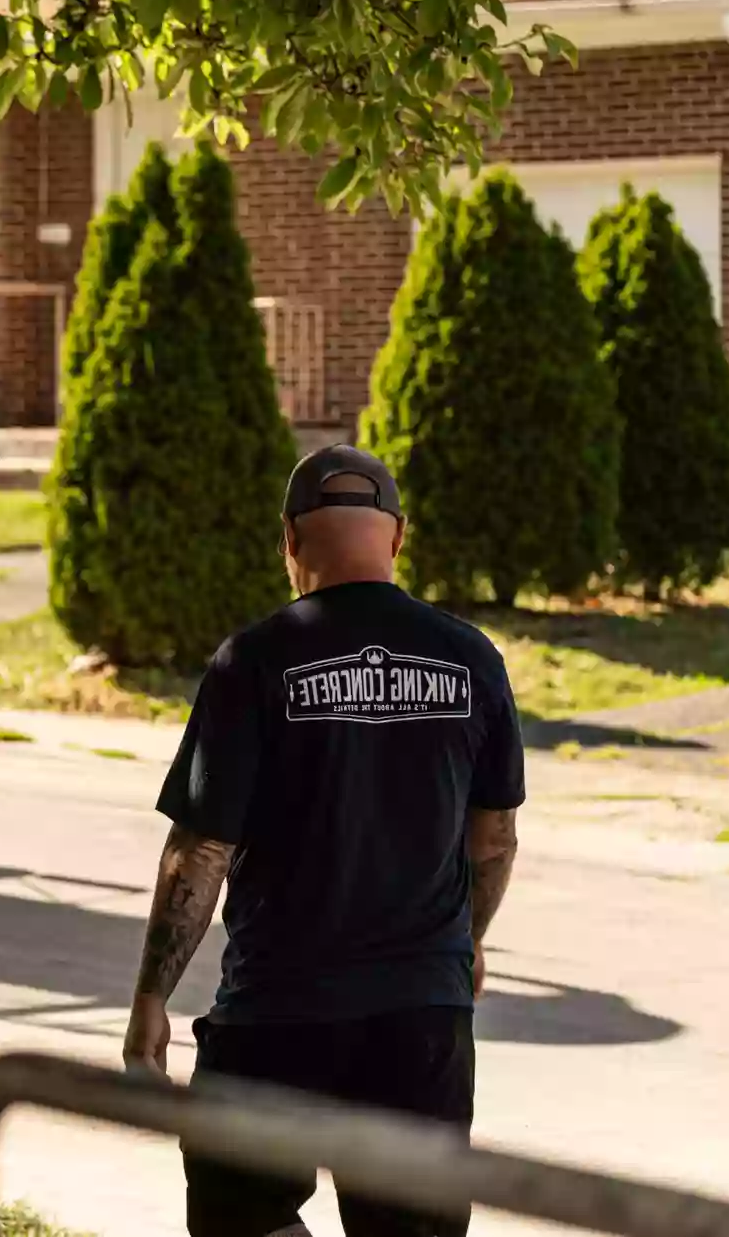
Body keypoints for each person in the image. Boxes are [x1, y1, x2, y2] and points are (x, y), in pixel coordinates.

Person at [122, 444, 524, 1237]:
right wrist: (467, 940)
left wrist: (150, 998)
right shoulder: (471, 659)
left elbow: (200, 851)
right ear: (397, 537)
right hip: (420, 1017)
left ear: (289, 541)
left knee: (240, 1214)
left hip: (278, 1012)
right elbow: (495, 837)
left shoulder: (255, 659)